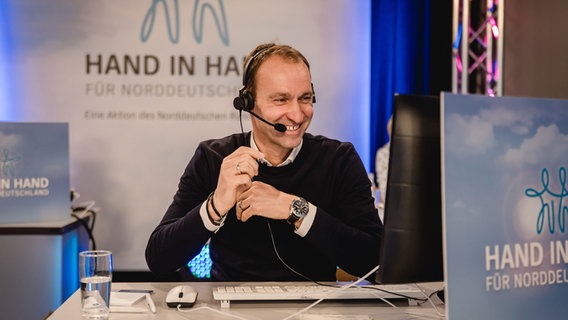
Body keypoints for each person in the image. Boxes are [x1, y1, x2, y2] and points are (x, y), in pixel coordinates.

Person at [145, 43, 383, 281]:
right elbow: (159, 260)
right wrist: (216, 205)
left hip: (315, 310)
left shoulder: (339, 159)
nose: (297, 115)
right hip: (227, 310)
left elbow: (375, 261)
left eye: (305, 98)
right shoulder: (213, 157)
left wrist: (295, 209)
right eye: (281, 100)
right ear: (248, 103)